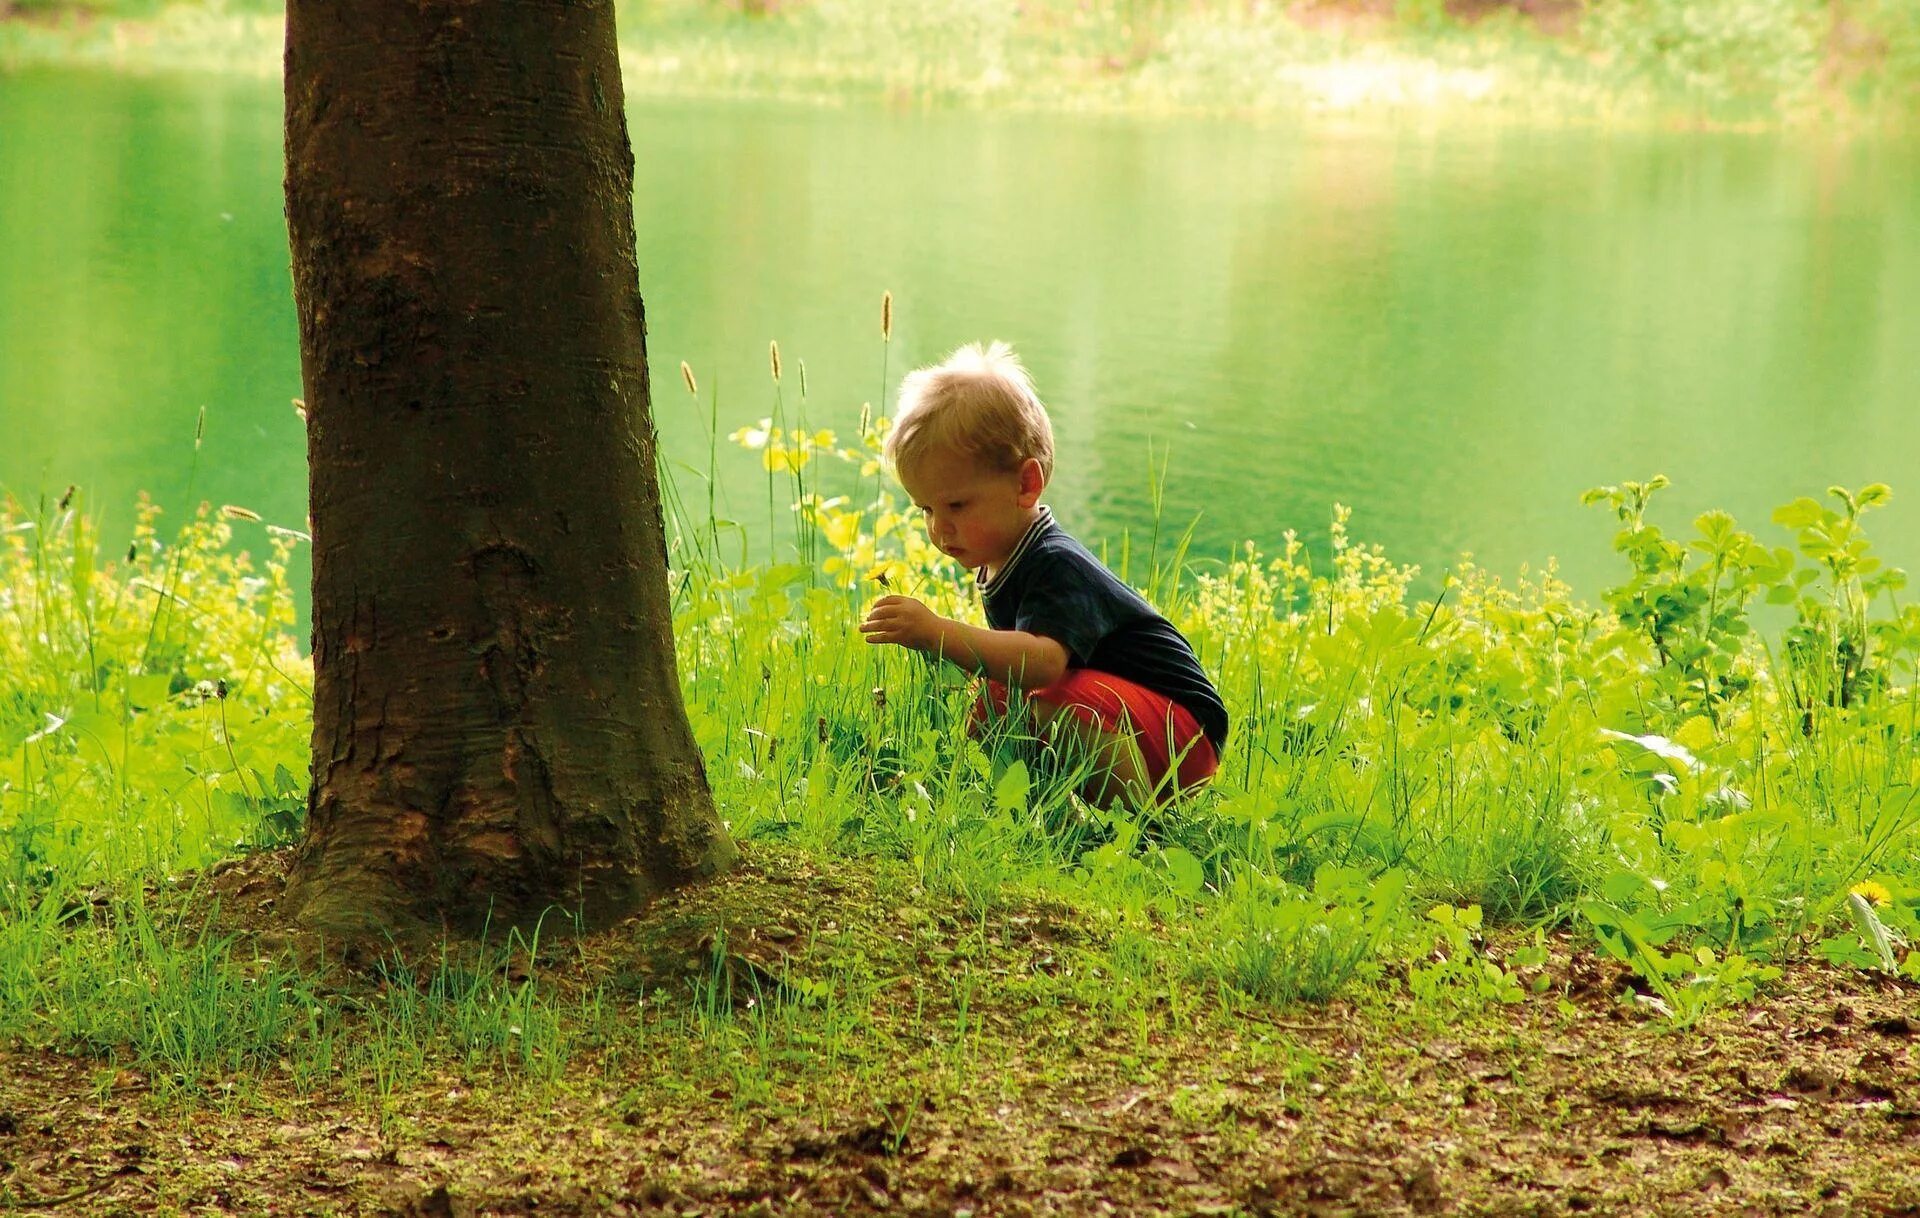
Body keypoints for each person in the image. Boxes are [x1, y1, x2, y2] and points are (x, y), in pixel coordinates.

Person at [858, 341, 1229, 808]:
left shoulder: (1055, 562)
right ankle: (1040, 805)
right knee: (994, 700)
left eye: (956, 505)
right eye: (926, 509)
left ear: (1025, 484)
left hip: (1184, 734)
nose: (939, 527)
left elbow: (1043, 663)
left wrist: (937, 632)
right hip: (1136, 722)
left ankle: (1136, 824)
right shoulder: (1008, 558)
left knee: (1046, 694)